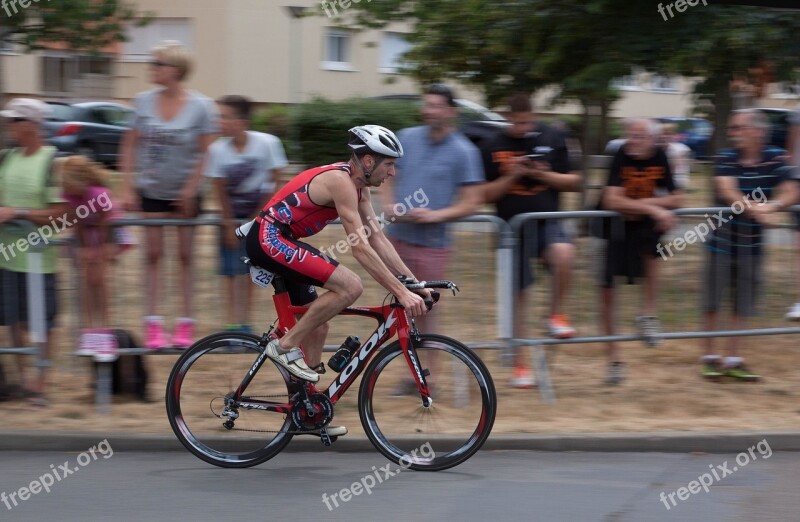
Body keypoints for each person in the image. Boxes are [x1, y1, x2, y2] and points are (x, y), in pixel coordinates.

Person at [244, 125, 431, 437]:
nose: (393, 173)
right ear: (368, 161)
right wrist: (398, 290)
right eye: (389, 164)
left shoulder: (360, 187)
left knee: (319, 325)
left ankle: (307, 410)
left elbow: (377, 239)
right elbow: (359, 247)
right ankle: (284, 346)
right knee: (350, 286)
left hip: (283, 238)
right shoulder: (340, 181)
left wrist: (413, 283)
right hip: (269, 237)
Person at [380, 84, 484, 395]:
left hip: (433, 244)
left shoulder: (465, 151)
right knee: (401, 308)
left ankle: (431, 378)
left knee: (428, 310)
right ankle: (409, 374)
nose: (430, 110)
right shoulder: (407, 138)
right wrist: (388, 204)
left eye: (437, 105)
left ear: (451, 111)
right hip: (397, 240)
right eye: (427, 104)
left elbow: (473, 201)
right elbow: (387, 174)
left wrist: (436, 215)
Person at [120, 40, 218, 349]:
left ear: (174, 70)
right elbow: (129, 143)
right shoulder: (142, 102)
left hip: (186, 195)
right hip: (152, 191)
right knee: (152, 256)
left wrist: (191, 188)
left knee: (186, 257)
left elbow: (207, 152)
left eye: (157, 63)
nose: (152, 68)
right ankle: (153, 324)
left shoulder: (202, 106)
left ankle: (185, 324)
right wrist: (126, 184)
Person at [481, 93, 581, 388]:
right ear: (507, 117)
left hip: (547, 221)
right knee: (519, 298)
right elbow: (484, 196)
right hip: (511, 229)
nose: (524, 127)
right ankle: (520, 364)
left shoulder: (553, 136)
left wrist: (545, 175)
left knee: (564, 253)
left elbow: (576, 182)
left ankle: (555, 315)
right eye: (518, 122)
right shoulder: (492, 146)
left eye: (529, 121)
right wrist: (512, 176)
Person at [701, 109, 798, 382]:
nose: (733, 133)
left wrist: (774, 205)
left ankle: (733, 359)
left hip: (752, 246)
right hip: (720, 242)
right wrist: (757, 211)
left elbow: (792, 190)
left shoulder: (775, 157)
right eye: (732, 128)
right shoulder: (726, 157)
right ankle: (709, 358)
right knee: (712, 301)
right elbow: (726, 189)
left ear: (757, 131)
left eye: (739, 128)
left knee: (742, 304)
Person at [600, 118, 684, 385]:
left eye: (638, 136)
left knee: (658, 250)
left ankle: (648, 315)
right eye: (629, 135)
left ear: (653, 140)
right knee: (607, 291)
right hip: (612, 226)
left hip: (641, 226)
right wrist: (655, 208)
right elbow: (611, 200)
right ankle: (613, 360)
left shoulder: (661, 155)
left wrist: (646, 205)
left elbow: (678, 198)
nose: (631, 141)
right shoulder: (620, 155)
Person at [0, 98, 68, 407]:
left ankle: (40, 385)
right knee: (12, 321)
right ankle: (24, 379)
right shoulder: (6, 158)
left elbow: (61, 215)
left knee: (41, 325)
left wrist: (17, 212)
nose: (8, 126)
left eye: (14, 121)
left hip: (39, 260)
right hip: (7, 256)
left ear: (30, 125)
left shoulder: (52, 161)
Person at [206, 95, 287, 334]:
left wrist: (256, 220)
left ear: (242, 121)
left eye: (225, 116)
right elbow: (219, 188)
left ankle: (246, 323)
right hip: (231, 214)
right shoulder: (217, 149)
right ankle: (232, 323)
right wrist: (228, 223)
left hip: (261, 214)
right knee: (230, 271)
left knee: (253, 269)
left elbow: (275, 182)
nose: (220, 121)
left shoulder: (267, 144)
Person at [62, 156, 134, 359]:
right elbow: (78, 223)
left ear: (79, 181)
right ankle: (89, 334)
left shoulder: (99, 194)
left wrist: (101, 250)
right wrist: (84, 249)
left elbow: (106, 223)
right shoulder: (71, 196)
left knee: (100, 281)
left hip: (109, 233)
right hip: (89, 233)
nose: (64, 187)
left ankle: (105, 334)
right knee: (87, 280)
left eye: (67, 182)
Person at [660, 123, 692, 191]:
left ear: (673, 135)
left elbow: (673, 169)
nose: (664, 136)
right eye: (663, 134)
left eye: (668, 134)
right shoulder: (658, 148)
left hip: (676, 180)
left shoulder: (680, 149)